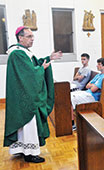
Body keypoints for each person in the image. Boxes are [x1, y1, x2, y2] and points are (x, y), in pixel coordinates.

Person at [4, 26, 62, 163]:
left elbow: (32, 66)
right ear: (20, 38)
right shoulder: (17, 53)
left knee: (24, 127)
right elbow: (30, 74)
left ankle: (21, 149)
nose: (32, 39)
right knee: (28, 124)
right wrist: (41, 69)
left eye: (32, 36)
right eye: (29, 36)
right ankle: (30, 153)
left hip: (22, 95)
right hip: (25, 98)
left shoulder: (23, 52)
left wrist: (49, 58)